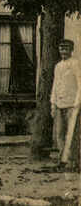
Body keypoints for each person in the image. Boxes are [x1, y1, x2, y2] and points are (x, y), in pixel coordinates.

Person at [51, 39, 81, 169]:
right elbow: (55, 85)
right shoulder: (57, 66)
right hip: (59, 104)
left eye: (66, 48)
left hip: (72, 105)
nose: (63, 51)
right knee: (60, 134)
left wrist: (77, 103)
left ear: (71, 50)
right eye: (61, 48)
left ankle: (73, 161)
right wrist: (53, 103)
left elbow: (80, 84)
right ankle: (63, 160)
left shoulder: (76, 64)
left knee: (72, 134)